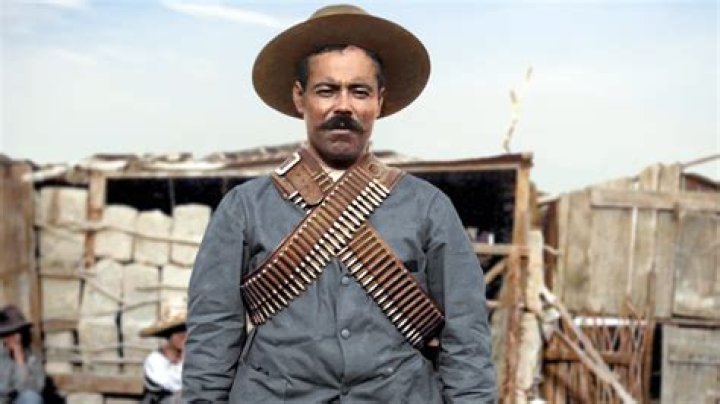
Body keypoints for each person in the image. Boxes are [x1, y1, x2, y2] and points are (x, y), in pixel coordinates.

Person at [183, 4, 496, 403]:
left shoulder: (429, 208)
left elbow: (466, 336)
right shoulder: (244, 208)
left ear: (379, 100)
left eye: (359, 91)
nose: (343, 106)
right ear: (300, 98)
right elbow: (212, 333)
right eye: (327, 90)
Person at [139, 305, 187, 404]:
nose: (183, 336)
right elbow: (174, 385)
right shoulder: (155, 360)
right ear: (168, 335)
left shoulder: (193, 357)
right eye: (178, 331)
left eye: (186, 330)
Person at [0, 305, 45, 404]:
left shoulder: (33, 357)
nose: (12, 338)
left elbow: (35, 388)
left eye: (15, 333)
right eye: (7, 334)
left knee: (31, 398)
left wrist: (19, 358)